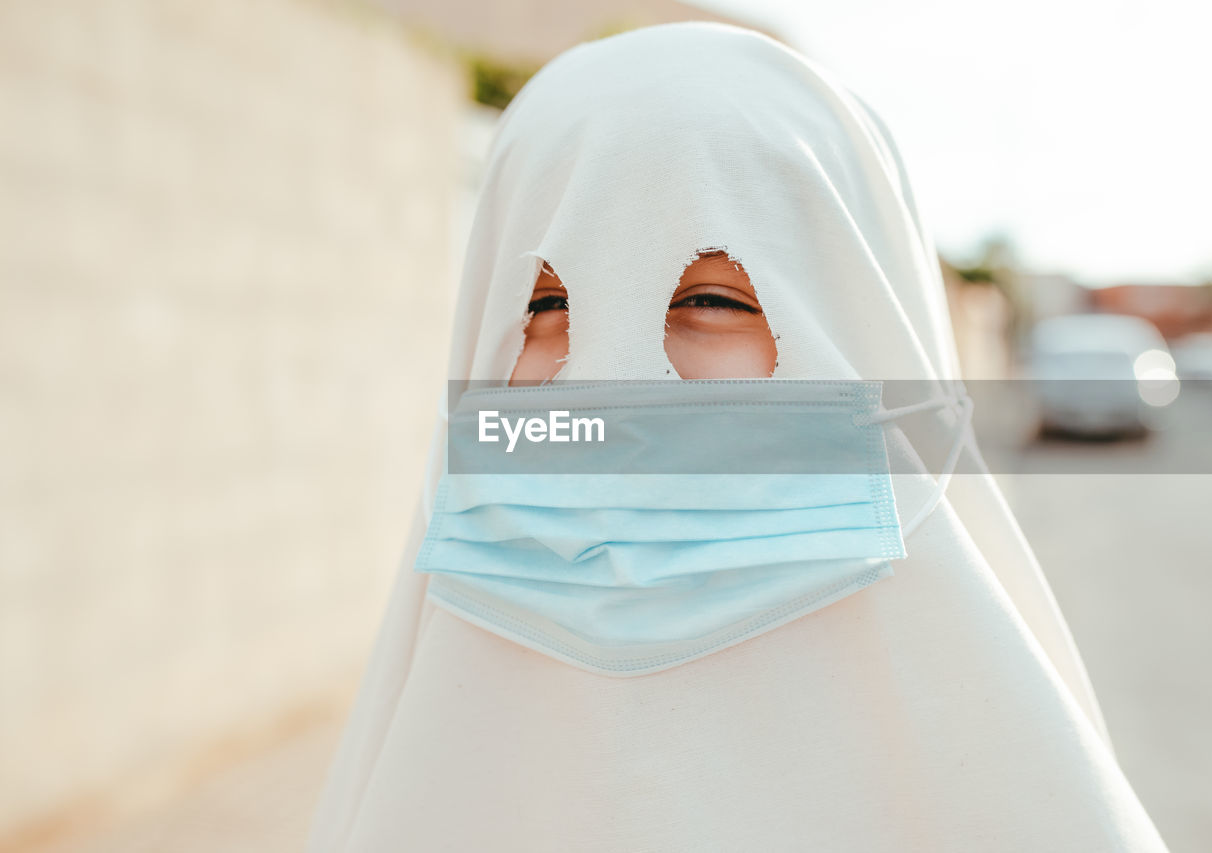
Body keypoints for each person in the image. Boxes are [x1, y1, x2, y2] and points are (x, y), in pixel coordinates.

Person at [305, 22, 1168, 851]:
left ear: (858, 319)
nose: (609, 371)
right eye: (546, 306)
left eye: (711, 300)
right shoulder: (453, 639)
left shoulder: (991, 718)